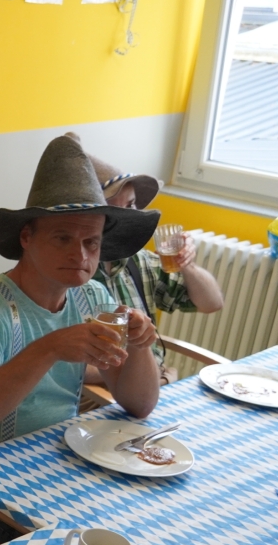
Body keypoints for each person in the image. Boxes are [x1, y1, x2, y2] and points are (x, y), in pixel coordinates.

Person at [0, 134, 162, 542]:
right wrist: (50, 347)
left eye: (91, 242)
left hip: (54, 456)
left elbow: (139, 404)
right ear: (26, 237)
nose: (82, 256)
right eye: (62, 238)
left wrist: (140, 345)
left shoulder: (92, 296)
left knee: (137, 522)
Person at [74, 133, 223, 387]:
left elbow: (212, 303)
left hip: (153, 389)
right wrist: (148, 379)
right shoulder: (67, 273)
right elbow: (60, 368)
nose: (127, 218)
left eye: (130, 206)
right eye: (114, 209)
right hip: (103, 397)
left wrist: (188, 266)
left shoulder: (140, 261)